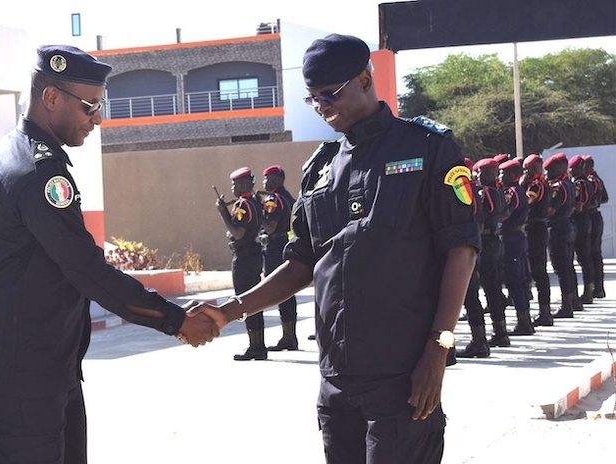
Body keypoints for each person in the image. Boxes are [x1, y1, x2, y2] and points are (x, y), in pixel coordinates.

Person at [189, 34, 479, 463]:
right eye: (313, 99)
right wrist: (230, 311)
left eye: (330, 94)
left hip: (402, 377)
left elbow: (462, 248)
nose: (323, 106)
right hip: (336, 381)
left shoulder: (426, 147)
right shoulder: (320, 169)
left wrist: (439, 348)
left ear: (365, 78)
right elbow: (301, 263)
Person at [0, 45, 219, 464]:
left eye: (101, 105)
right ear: (52, 98)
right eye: (90, 106)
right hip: (17, 371)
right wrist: (177, 320)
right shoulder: (38, 172)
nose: (98, 118)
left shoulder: (19, 151)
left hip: (41, 364)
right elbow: (87, 271)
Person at [458, 158, 507, 357]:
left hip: (481, 243)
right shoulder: (495, 191)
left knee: (472, 295)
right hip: (492, 240)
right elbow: (504, 214)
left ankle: (479, 341)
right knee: (491, 289)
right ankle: (499, 332)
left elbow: (477, 223)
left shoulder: (475, 192)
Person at [216, 167, 266, 360]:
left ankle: (256, 347)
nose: (232, 187)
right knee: (253, 300)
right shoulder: (254, 201)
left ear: (244, 184)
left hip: (244, 257)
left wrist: (223, 213)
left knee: (245, 300)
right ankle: (258, 345)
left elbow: (238, 232)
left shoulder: (243, 204)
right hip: (253, 254)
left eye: (235, 183)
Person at [259, 164, 300, 351]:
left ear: (274, 179)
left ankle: (288, 337)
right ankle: (290, 336)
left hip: (275, 247)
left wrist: (258, 210)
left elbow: (270, 227)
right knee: (288, 293)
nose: (263, 182)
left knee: (280, 291)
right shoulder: (288, 197)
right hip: (286, 244)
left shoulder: (274, 199)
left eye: (266, 178)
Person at [498, 159, 534, 336]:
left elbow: (505, 215)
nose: (500, 177)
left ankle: (524, 323)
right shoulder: (518, 189)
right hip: (517, 237)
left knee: (514, 281)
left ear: (512, 175)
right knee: (519, 280)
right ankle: (525, 320)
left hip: (511, 238)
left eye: (503, 173)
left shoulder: (512, 191)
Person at [520, 154, 553, 326]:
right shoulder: (544, 184)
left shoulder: (535, 185)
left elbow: (527, 203)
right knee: (538, 271)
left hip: (534, 229)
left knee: (538, 272)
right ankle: (544, 311)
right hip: (539, 227)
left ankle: (545, 313)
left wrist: (521, 185)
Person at [544, 153, 577, 318]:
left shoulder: (558, 186)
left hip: (558, 228)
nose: (547, 174)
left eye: (549, 170)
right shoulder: (569, 184)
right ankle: (571, 302)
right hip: (567, 225)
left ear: (559, 167)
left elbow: (551, 210)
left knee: (561, 268)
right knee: (568, 267)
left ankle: (567, 306)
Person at [569, 155, 595, 304]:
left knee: (583, 258)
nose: (571, 171)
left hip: (579, 222)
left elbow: (578, 206)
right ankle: (588, 289)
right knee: (585, 258)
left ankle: (587, 291)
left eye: (573, 168)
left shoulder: (579, 183)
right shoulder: (588, 182)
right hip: (586, 220)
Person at [583, 155, 609, 298]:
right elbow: (604, 198)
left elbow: (598, 200)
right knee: (595, 253)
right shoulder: (597, 179)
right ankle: (598, 287)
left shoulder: (591, 181)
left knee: (591, 253)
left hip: (591, 217)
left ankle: (595, 287)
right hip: (595, 217)